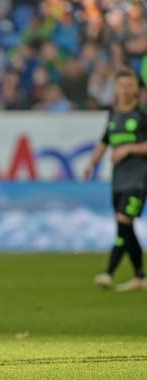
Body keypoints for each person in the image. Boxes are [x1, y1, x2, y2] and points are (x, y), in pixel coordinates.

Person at [84, 69, 147, 292]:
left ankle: (109, 273)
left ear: (137, 90)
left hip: (139, 179)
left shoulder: (143, 115)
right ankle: (139, 275)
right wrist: (92, 163)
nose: (126, 90)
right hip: (119, 180)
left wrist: (130, 148)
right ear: (116, 89)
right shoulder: (114, 115)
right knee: (124, 227)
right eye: (122, 85)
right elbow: (104, 141)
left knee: (123, 220)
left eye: (130, 85)